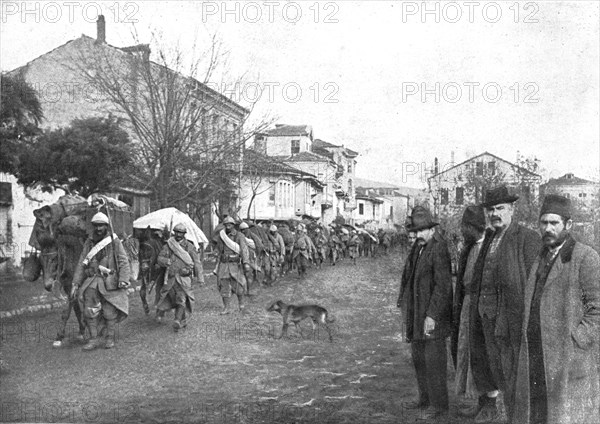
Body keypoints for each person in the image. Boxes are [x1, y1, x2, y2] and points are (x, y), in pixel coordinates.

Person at [513, 194, 600, 424]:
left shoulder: (585, 257)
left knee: (566, 417)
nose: (548, 228)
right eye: (544, 222)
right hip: (536, 355)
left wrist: (575, 342)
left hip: (569, 361)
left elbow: (598, 311)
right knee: (539, 414)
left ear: (568, 225)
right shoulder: (540, 257)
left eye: (554, 223)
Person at [463, 185, 541, 422]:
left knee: (514, 373)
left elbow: (534, 285)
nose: (495, 214)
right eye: (491, 210)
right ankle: (494, 408)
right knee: (492, 367)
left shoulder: (527, 238)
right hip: (485, 316)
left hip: (511, 319)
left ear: (511, 209)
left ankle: (519, 417)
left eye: (500, 208)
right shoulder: (489, 237)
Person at [397, 206, 453, 420]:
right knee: (419, 358)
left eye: (422, 231)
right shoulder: (419, 247)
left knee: (434, 362)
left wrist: (432, 315)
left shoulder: (439, 248)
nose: (417, 235)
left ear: (431, 229)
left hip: (430, 317)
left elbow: (443, 286)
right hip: (416, 314)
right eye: (415, 231)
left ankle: (440, 407)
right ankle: (425, 399)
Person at [72, 212, 131, 350]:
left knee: (109, 312)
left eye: (101, 226)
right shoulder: (89, 242)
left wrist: (123, 279)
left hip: (110, 282)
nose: (98, 229)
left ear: (106, 226)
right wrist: (75, 283)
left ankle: (110, 338)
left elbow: (123, 261)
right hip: (92, 281)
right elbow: (82, 262)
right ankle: (93, 339)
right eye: (96, 226)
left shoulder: (114, 241)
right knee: (89, 311)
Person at [451, 206, 486, 406]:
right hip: (467, 305)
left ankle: (486, 404)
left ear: (473, 228)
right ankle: (476, 399)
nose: (462, 231)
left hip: (478, 307)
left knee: (479, 353)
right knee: (466, 350)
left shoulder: (485, 248)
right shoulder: (470, 248)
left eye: (465, 227)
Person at [155, 223, 202, 331]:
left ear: (184, 234)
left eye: (181, 232)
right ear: (174, 233)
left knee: (182, 298)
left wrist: (200, 278)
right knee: (168, 297)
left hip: (184, 278)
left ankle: (177, 320)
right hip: (171, 278)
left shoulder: (189, 246)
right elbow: (159, 258)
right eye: (176, 232)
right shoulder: (168, 245)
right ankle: (180, 318)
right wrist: (166, 261)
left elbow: (196, 262)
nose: (178, 234)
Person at [214, 217, 251, 314]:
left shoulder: (239, 236)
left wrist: (246, 263)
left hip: (235, 264)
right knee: (223, 285)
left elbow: (244, 249)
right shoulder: (221, 236)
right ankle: (226, 308)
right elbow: (219, 249)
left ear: (233, 225)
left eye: (230, 224)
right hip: (224, 264)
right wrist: (216, 254)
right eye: (226, 224)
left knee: (239, 286)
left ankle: (241, 306)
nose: (228, 226)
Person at [239, 221, 262, 297]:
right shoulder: (239, 237)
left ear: (247, 229)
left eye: (244, 229)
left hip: (251, 258)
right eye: (241, 230)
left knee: (249, 275)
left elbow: (259, 246)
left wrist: (257, 256)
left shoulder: (253, 237)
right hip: (240, 258)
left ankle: (249, 290)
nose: (243, 231)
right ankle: (243, 290)